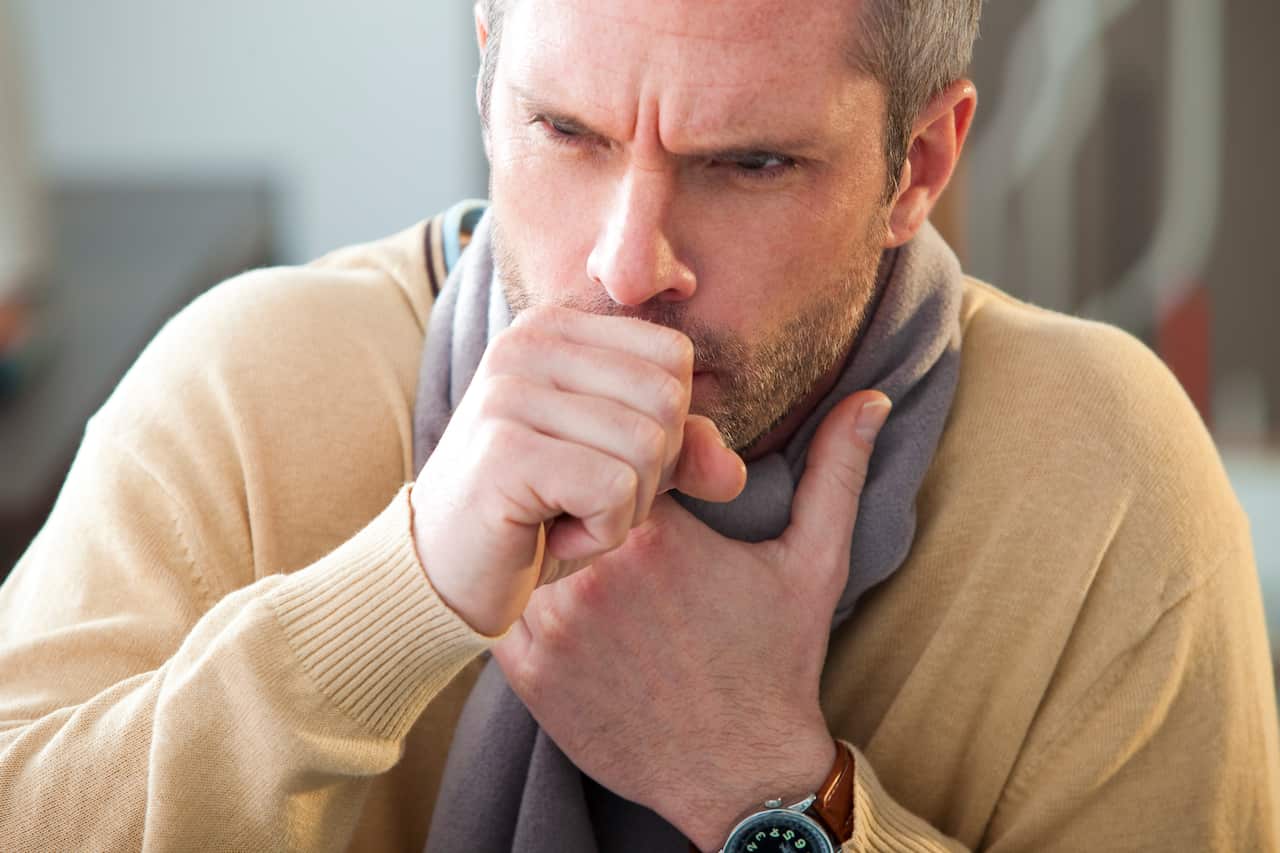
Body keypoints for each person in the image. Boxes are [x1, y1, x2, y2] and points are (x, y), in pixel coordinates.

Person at [1, 0, 1277, 850]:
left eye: (748, 165)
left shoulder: (1102, 478)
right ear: (491, 76)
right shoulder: (251, 385)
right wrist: (406, 593)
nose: (626, 266)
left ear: (920, 165)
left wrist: (761, 787)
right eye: (566, 132)